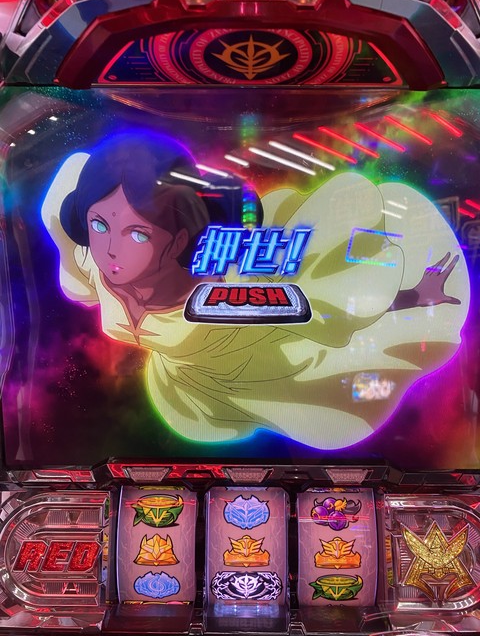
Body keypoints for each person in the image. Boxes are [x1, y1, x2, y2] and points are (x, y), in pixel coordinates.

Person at [41, 134, 469, 450]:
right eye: (99, 225)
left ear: (178, 239)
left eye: (137, 233)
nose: (110, 250)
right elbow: (63, 206)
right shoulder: (95, 267)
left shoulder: (227, 291)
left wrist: (412, 298)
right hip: (190, 393)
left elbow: (333, 307)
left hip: (273, 375)